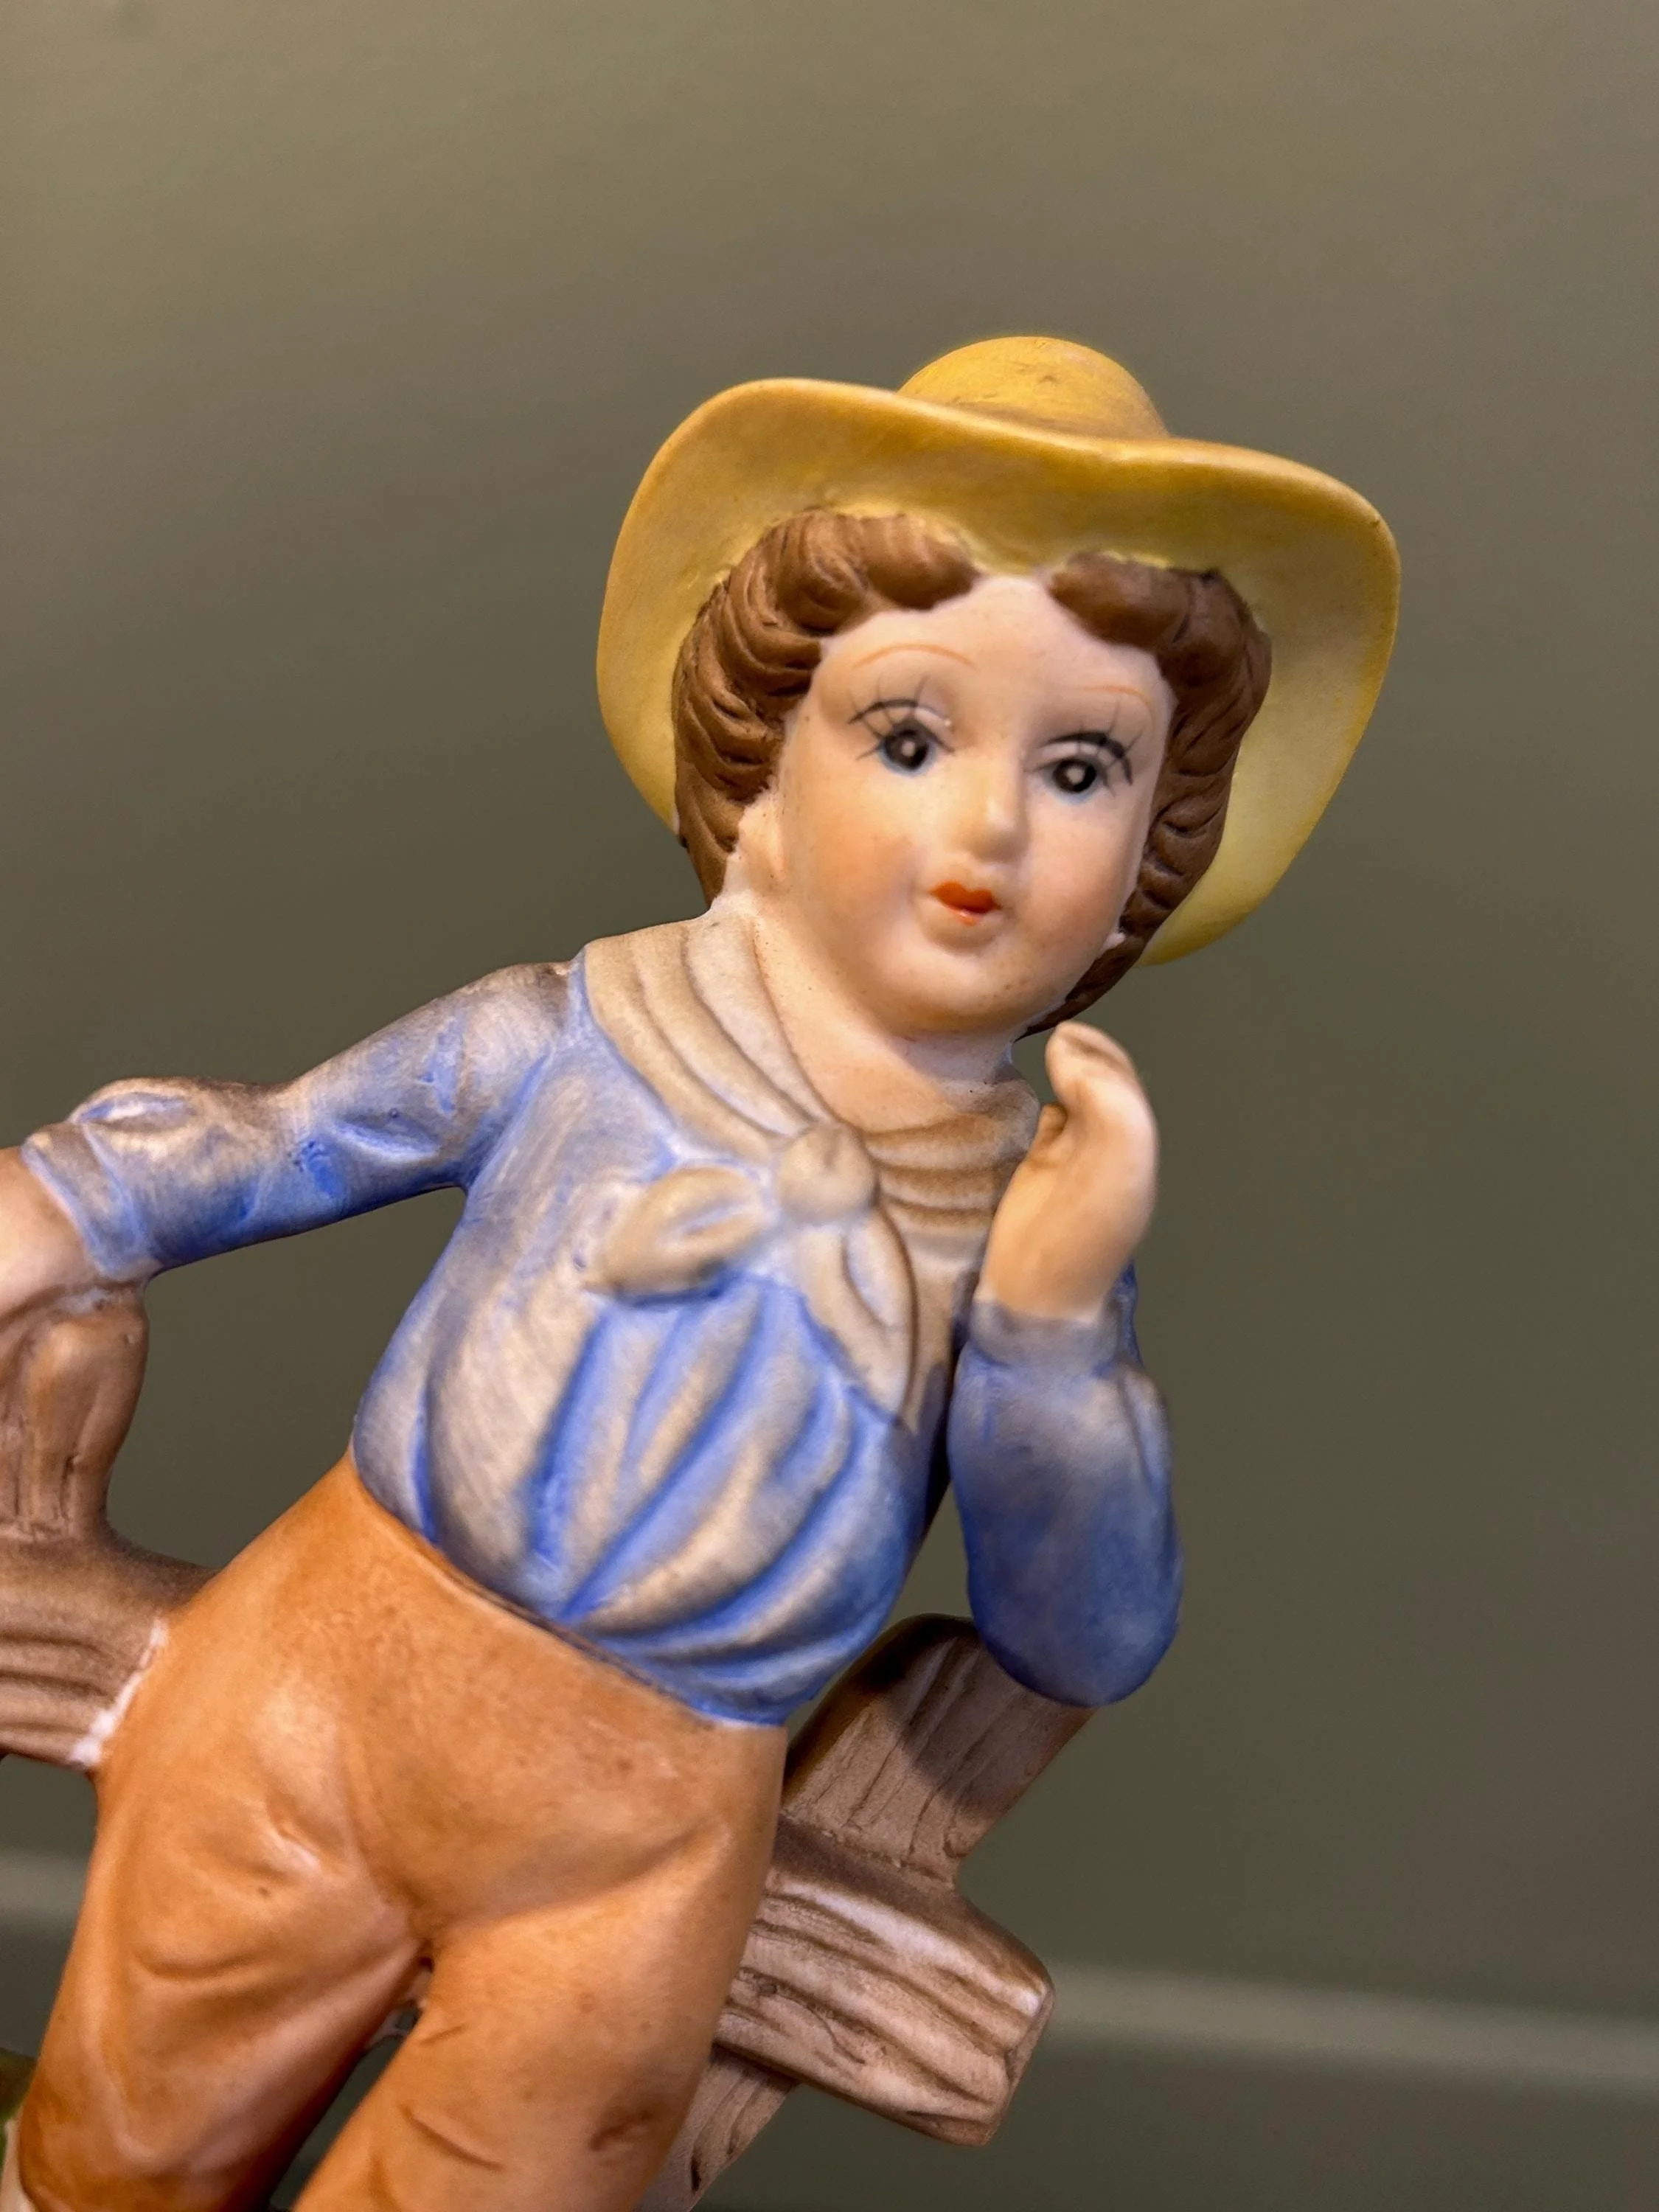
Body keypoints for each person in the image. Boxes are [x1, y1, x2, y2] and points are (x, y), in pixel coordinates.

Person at [0, 336, 1397, 2212]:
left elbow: (1083, 1634)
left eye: (1081, 769)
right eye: (909, 737)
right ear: (760, 768)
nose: (990, 831)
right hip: (322, 1690)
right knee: (115, 2150)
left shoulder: (1019, 1210)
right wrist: (54, 1206)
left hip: (642, 1830)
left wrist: (1056, 1336)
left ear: (1151, 848)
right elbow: (281, 1142)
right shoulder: (575, 1033)